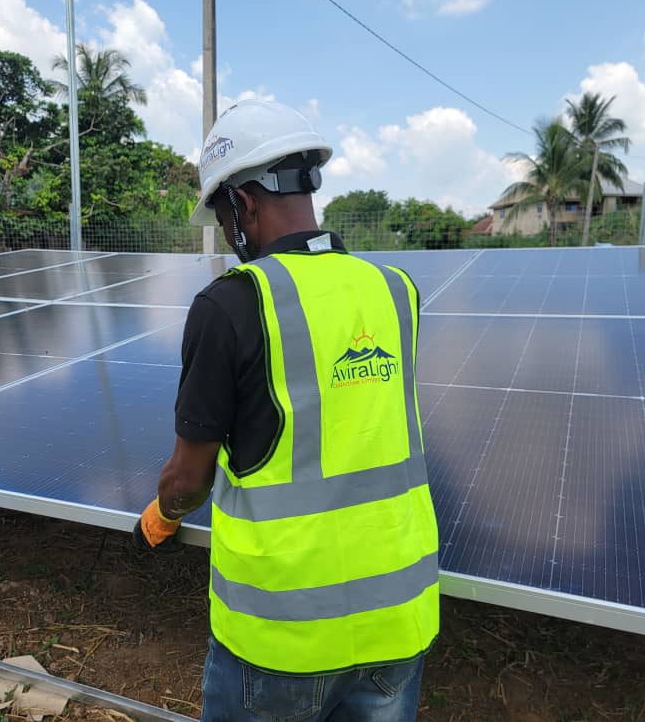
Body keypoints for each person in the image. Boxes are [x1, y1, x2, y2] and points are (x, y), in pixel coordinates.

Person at [133, 99, 439, 722]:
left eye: (221, 214)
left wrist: (161, 516)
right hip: (399, 618)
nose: (224, 232)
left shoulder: (232, 304)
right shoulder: (395, 291)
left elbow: (190, 479)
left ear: (244, 202)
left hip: (281, 636)